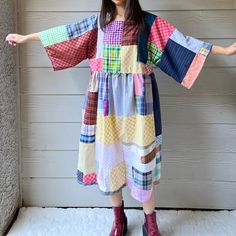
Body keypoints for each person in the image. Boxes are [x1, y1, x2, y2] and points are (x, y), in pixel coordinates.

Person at [5, 0, 236, 235]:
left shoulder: (147, 24)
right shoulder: (98, 25)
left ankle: (150, 221)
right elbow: (66, 34)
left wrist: (226, 50)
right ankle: (118, 218)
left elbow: (182, 44)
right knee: (109, 158)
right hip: (105, 105)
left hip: (139, 106)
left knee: (142, 160)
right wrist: (26, 38)